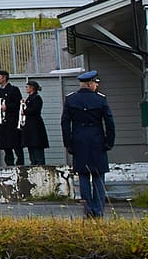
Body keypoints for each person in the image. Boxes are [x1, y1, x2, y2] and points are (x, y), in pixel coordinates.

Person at [60, 70, 114, 219]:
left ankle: (88, 210)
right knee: (98, 176)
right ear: (90, 84)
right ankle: (98, 210)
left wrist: (68, 143)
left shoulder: (71, 99)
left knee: (83, 175)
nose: (96, 86)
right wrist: (109, 141)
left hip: (79, 140)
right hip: (97, 140)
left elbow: (65, 123)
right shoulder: (100, 100)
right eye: (95, 83)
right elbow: (109, 122)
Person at [0, 70, 24, 166]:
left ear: (4, 77)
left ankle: (20, 163)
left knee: (16, 144)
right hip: (4, 122)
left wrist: (8, 107)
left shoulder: (13, 90)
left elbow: (18, 104)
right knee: (6, 145)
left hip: (12, 121)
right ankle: (9, 163)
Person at [22, 80, 49, 167]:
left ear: (32, 88)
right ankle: (33, 162)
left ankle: (39, 163)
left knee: (36, 145)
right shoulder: (29, 98)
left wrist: (25, 111)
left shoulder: (36, 98)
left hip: (35, 125)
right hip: (29, 125)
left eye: (27, 87)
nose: (26, 88)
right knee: (31, 146)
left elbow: (35, 110)